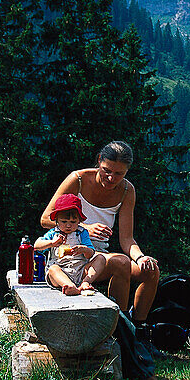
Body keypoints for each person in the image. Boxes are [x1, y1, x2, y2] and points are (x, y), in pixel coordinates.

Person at [41, 140, 159, 333]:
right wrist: (84, 228)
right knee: (120, 262)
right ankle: (118, 328)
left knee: (151, 271)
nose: (111, 178)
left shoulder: (127, 191)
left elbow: (127, 239)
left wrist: (140, 257)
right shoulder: (77, 179)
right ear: (99, 161)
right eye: (106, 170)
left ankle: (139, 329)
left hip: (97, 258)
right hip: (69, 258)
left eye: (118, 174)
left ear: (127, 171)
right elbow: (46, 219)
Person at [35, 193, 107, 296]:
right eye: (64, 221)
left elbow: (91, 253)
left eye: (73, 222)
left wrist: (84, 249)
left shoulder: (82, 233)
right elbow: (36, 245)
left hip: (80, 270)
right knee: (53, 269)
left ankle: (86, 282)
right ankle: (69, 286)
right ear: (56, 221)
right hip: (60, 272)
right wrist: (51, 243)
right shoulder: (53, 233)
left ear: (79, 221)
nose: (68, 225)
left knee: (100, 258)